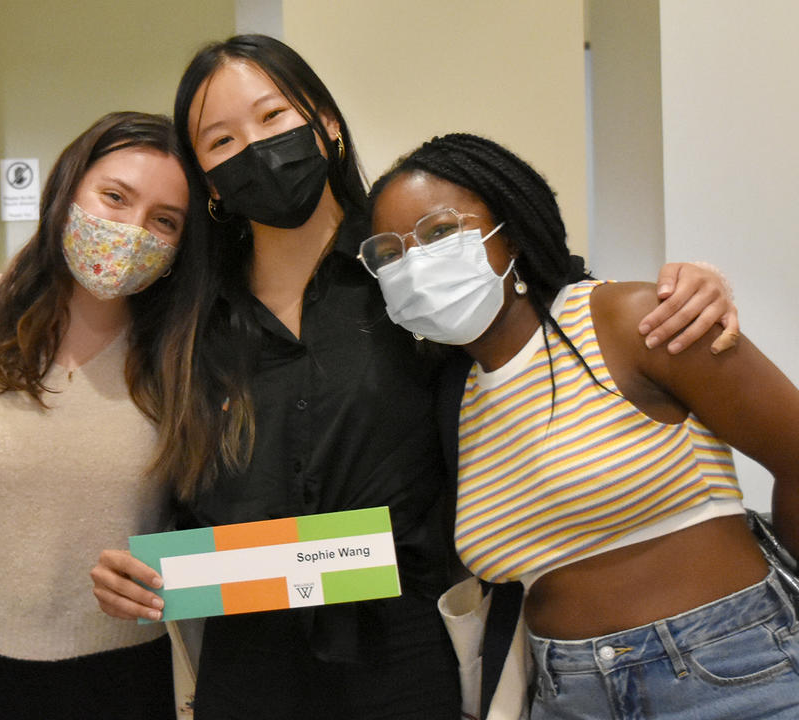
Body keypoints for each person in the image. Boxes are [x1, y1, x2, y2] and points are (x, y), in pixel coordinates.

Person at [90, 34, 740, 719]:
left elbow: (550, 298)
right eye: (220, 140)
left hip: (408, 652)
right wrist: (135, 577)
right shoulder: (185, 316)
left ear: (326, 125)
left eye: (273, 116)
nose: (253, 146)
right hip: (245, 654)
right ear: (208, 181)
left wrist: (691, 283)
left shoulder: (412, 271)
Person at [362, 132, 799, 719]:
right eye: (391, 253)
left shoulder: (633, 319)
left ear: (511, 230)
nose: (415, 263)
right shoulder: (451, 398)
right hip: (567, 693)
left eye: (441, 233)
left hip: (732, 669)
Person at [0, 111, 220, 720]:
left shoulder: (185, 361)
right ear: (66, 189)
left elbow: (203, 510)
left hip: (122, 675)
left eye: (164, 221)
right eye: (114, 197)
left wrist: (180, 573)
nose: (130, 230)